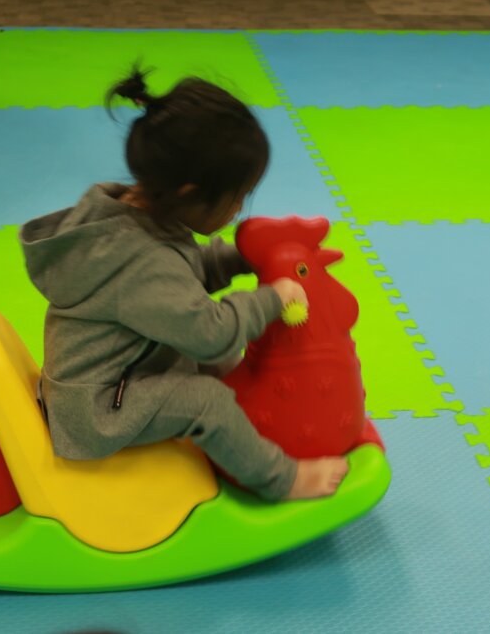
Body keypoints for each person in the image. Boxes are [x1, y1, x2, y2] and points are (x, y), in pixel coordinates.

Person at [20, 66, 349, 500]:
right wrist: (270, 299)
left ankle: (242, 433)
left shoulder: (131, 211)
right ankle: (280, 479)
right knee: (206, 398)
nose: (238, 210)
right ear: (190, 192)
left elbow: (182, 273)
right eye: (236, 198)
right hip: (99, 412)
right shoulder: (140, 261)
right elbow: (208, 333)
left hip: (114, 377)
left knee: (222, 364)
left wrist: (241, 258)